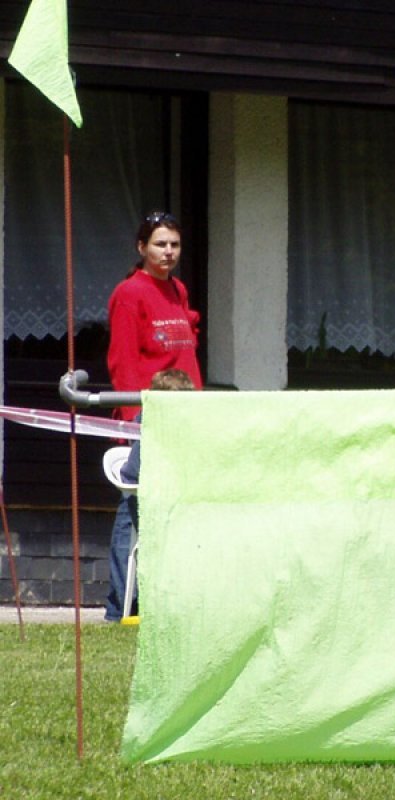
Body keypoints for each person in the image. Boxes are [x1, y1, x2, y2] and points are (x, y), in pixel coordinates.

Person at [104, 213, 203, 622]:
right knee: (135, 506)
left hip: (185, 412)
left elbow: (186, 348)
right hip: (148, 415)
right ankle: (121, 605)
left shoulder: (177, 289)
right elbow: (123, 361)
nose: (168, 252)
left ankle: (165, 600)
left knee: (178, 506)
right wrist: (132, 421)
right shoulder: (130, 293)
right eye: (160, 244)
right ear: (141, 247)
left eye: (174, 245)